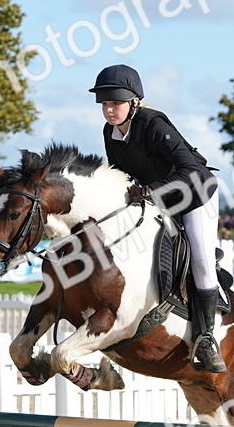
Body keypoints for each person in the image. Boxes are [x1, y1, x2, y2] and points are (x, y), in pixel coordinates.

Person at [89, 64, 225, 373]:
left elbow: (190, 170)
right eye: (105, 104)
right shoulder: (110, 133)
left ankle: (206, 338)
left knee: (201, 259)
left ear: (134, 101)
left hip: (195, 195)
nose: (109, 110)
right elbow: (119, 174)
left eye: (115, 103)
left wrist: (150, 190)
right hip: (158, 197)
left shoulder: (153, 124)